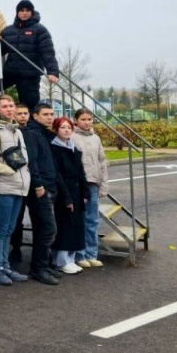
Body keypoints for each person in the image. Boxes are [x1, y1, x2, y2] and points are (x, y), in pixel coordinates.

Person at [0, 94, 31, 286]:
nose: (10, 109)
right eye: (5, 106)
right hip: (3, 186)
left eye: (11, 106)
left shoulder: (16, 130)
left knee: (9, 228)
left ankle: (5, 265)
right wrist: (8, 171)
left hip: (18, 186)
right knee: (0, 229)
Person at [13, 103, 62, 286]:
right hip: (41, 189)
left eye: (52, 114)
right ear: (36, 116)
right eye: (46, 114)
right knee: (48, 228)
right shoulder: (32, 134)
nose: (50, 117)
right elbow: (31, 161)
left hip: (50, 187)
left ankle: (43, 264)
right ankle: (38, 268)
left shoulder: (43, 133)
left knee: (44, 229)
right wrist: (39, 184)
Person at [0, 0, 59, 110]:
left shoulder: (40, 30)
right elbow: (1, 51)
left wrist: (53, 72)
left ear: (32, 12)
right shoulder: (8, 30)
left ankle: (28, 126)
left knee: (29, 105)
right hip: (11, 71)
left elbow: (47, 52)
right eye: (21, 10)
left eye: (27, 10)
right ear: (17, 12)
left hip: (30, 74)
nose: (24, 13)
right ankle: (3, 112)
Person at [50, 116, 89, 274]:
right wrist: (66, 197)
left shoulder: (74, 149)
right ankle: (61, 260)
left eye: (69, 128)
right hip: (64, 192)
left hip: (77, 191)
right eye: (63, 127)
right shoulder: (54, 149)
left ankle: (71, 258)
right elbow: (58, 175)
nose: (67, 130)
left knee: (77, 226)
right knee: (65, 226)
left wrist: (85, 192)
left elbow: (81, 172)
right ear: (56, 130)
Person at [72, 108, 109, 268]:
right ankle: (79, 255)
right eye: (83, 119)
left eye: (89, 119)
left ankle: (91, 253)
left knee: (92, 220)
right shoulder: (71, 137)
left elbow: (102, 162)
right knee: (79, 220)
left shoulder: (96, 138)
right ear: (76, 121)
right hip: (78, 185)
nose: (87, 122)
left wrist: (103, 186)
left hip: (93, 184)